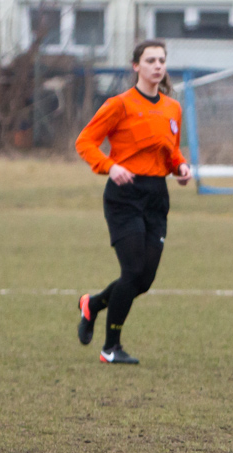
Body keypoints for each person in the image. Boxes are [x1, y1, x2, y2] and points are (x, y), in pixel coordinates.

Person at [73, 41, 193, 365]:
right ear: (135, 66)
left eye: (161, 60)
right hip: (124, 197)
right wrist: (111, 166)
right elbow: (85, 142)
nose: (157, 65)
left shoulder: (172, 108)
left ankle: (93, 304)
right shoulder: (120, 105)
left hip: (156, 196)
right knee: (132, 270)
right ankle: (111, 347)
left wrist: (180, 167)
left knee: (144, 279)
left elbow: (171, 151)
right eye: (150, 60)